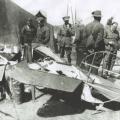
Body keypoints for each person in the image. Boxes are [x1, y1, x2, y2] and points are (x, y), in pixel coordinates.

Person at [85, 10, 105, 75]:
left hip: (88, 48)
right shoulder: (101, 26)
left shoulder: (87, 25)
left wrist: (88, 47)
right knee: (95, 65)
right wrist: (95, 48)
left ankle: (87, 76)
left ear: (94, 17)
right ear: (99, 18)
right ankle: (94, 78)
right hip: (97, 49)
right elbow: (100, 39)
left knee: (88, 63)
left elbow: (85, 37)